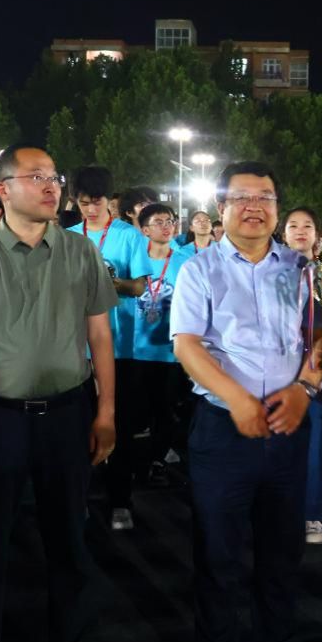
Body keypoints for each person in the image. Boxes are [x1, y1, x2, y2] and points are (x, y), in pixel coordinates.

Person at [0, 143, 116, 642]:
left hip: (67, 416)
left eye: (54, 177)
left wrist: (106, 412)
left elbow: (100, 338)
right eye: (36, 176)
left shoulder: (81, 252)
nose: (51, 186)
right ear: (4, 189)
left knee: (70, 541)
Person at [171, 161, 322, 642]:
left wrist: (306, 387)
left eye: (265, 197)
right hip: (223, 427)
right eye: (241, 197)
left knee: (282, 551)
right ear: (222, 208)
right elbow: (187, 346)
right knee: (218, 552)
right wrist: (237, 400)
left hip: (288, 423)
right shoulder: (199, 269)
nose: (254, 207)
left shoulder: (302, 269)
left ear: (277, 208)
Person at [67, 166, 148, 530]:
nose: (90, 209)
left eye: (96, 202)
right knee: (77, 429)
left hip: (119, 346)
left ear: (108, 200)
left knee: (120, 427)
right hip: (77, 348)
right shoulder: (68, 237)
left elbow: (139, 287)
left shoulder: (128, 235)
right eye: (84, 202)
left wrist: (108, 283)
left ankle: (120, 500)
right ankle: (80, 498)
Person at [125, 203, 192, 490]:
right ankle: (132, 464)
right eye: (158, 221)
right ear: (144, 230)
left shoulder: (186, 261)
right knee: (135, 413)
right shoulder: (132, 260)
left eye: (170, 221)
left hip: (170, 352)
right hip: (134, 351)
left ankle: (156, 460)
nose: (166, 226)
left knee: (166, 412)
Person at [281, 206, 322, 545]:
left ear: (318, 235)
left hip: (319, 369)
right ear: (283, 233)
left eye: (307, 225)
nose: (300, 231)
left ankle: (312, 514)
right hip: (279, 371)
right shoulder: (271, 273)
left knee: (314, 446)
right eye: (293, 225)